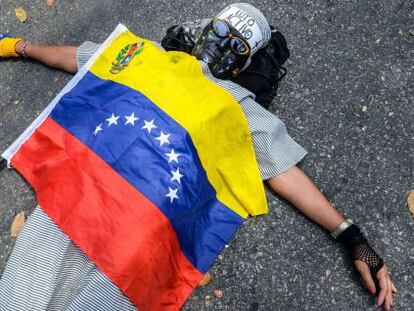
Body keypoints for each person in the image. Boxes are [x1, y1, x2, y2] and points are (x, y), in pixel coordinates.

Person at [0, 3, 397, 310]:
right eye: (221, 29)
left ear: (244, 63)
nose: (222, 41)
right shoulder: (150, 55)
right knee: (21, 293)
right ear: (205, 29)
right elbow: (83, 59)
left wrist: (352, 237)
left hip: (144, 228)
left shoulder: (241, 108)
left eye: (237, 43)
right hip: (83, 195)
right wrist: (19, 46)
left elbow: (285, 174)